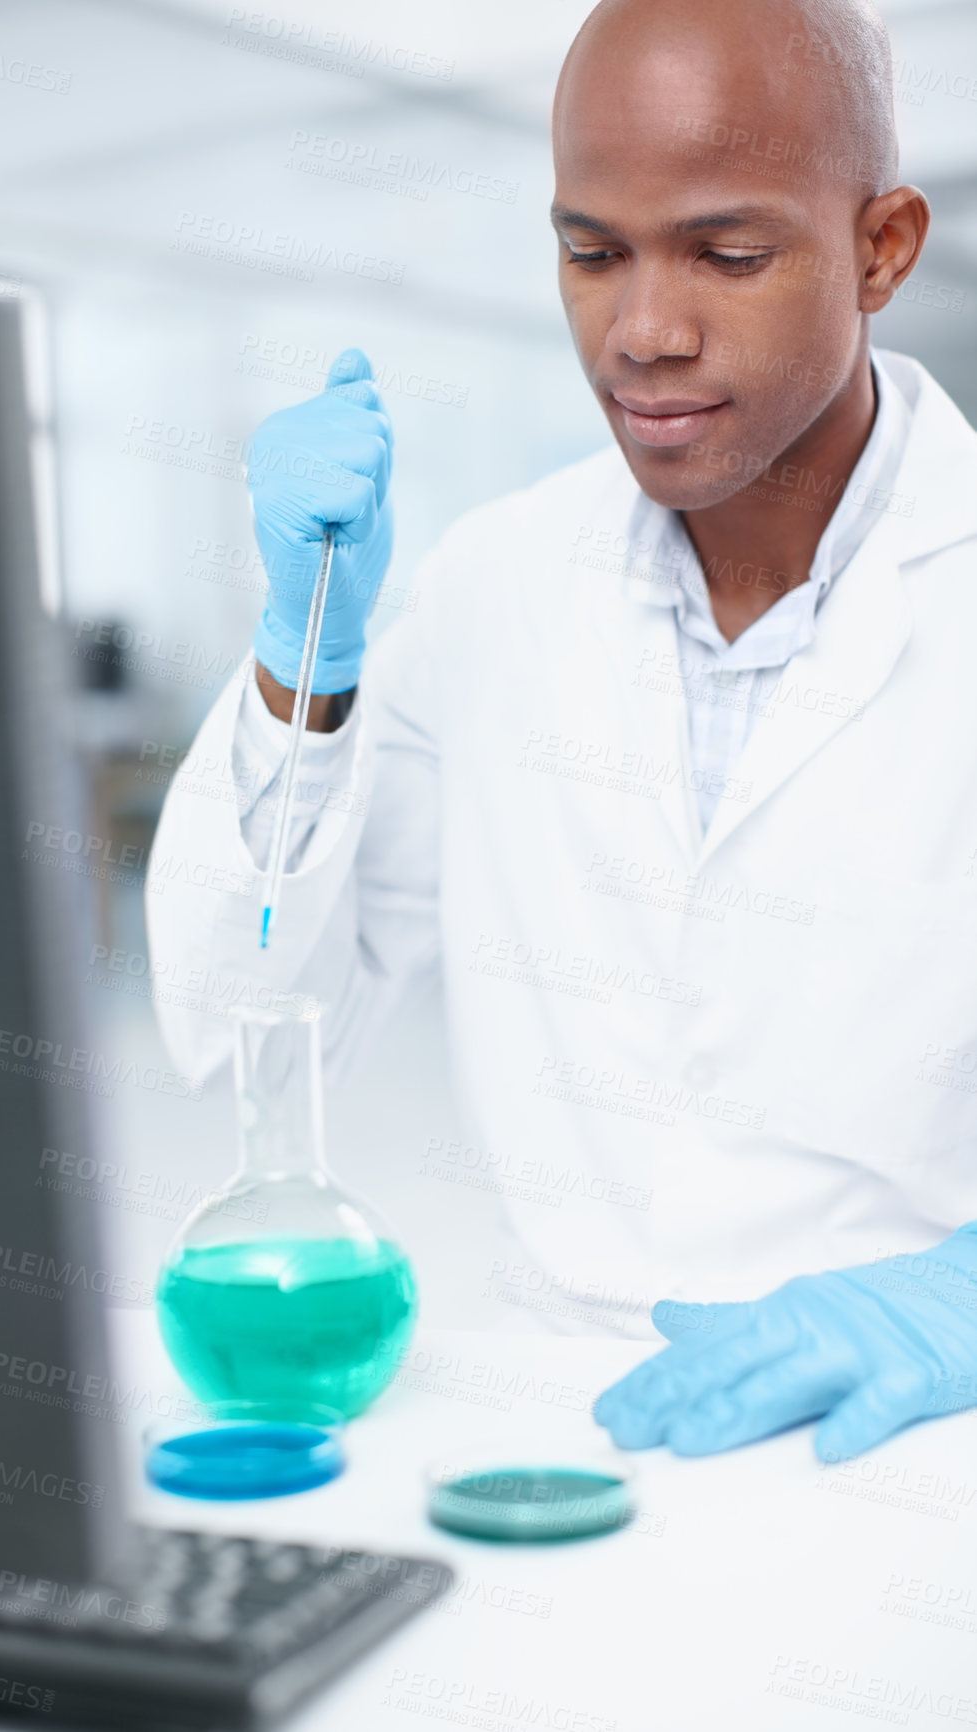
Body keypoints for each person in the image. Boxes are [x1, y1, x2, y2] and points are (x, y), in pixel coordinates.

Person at [147, 0, 977, 1463]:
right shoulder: (495, 583)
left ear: (881, 248)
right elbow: (245, 1025)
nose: (642, 332)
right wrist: (302, 677)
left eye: (725, 254)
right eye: (590, 253)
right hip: (564, 1421)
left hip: (919, 1431)